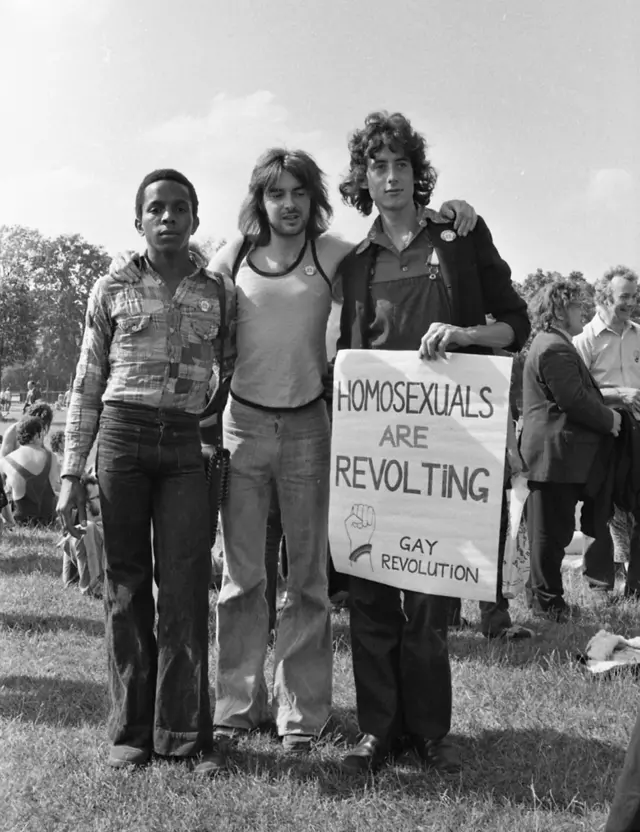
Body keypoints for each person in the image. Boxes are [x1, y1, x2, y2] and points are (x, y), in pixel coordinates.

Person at [112, 148, 477, 769]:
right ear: (260, 199)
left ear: (314, 200)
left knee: (306, 580)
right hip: (242, 428)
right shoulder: (232, 258)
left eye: (299, 194)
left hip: (311, 427)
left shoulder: (333, 253)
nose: (288, 205)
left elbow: (397, 239)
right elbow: (179, 274)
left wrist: (447, 214)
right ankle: (235, 706)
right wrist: (130, 260)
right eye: (276, 194)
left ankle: (302, 713)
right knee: (242, 578)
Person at [335, 111, 531, 774]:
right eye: (378, 167)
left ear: (420, 175)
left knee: (428, 597)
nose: (391, 178)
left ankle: (429, 733)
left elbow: (515, 324)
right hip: (373, 453)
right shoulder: (353, 261)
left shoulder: (460, 237)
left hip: (445, 454)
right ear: (363, 178)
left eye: (402, 166)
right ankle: (376, 731)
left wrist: (466, 335)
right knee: (369, 591)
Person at [57, 169, 234, 773]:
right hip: (122, 442)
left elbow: (233, 372)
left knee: (184, 585)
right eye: (155, 209)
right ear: (139, 221)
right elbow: (86, 382)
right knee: (127, 587)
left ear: (194, 217)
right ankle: (131, 729)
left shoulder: (217, 293)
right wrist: (69, 472)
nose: (167, 218)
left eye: (179, 208)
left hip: (186, 446)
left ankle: (183, 733)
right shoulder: (109, 288)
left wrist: (216, 436)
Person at [520, 278, 621, 621]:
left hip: (557, 458)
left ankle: (543, 599)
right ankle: (549, 604)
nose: (585, 311)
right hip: (554, 457)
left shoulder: (552, 344)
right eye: (577, 305)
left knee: (551, 532)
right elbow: (573, 399)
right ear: (560, 309)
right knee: (550, 535)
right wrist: (609, 419)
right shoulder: (554, 347)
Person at [572, 266, 640, 596]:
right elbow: (575, 394)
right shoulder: (582, 341)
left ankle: (637, 587)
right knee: (599, 510)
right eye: (624, 296)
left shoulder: (639, 334)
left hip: (637, 434)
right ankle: (599, 587)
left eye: (634, 294)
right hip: (601, 434)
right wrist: (618, 395)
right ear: (604, 297)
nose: (630, 302)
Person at [0, 416, 59, 526]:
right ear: (37, 435)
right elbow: (54, 487)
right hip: (48, 519)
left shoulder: (6, 461)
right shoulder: (52, 457)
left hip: (20, 520)